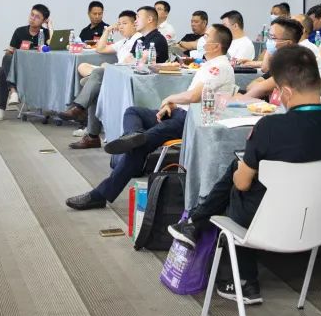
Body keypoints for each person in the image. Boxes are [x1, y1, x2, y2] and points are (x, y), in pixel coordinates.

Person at [167, 45, 321, 305]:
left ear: (285, 92)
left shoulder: (269, 126)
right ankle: (195, 225)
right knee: (240, 169)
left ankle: (243, 280)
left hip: (267, 223)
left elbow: (242, 183)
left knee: (236, 183)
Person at [65, 25, 235, 210]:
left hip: (191, 120)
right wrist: (172, 105)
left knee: (138, 148)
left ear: (216, 46)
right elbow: (193, 97)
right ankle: (133, 136)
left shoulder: (219, 67)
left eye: (207, 36)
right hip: (179, 112)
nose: (202, 39)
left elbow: (195, 96)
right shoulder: (210, 64)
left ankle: (100, 194)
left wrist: (170, 98)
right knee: (133, 112)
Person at [45, 11, 141, 138]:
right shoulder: (123, 41)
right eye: (119, 24)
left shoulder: (139, 40)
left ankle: (79, 108)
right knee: (83, 67)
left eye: (124, 23)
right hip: (113, 71)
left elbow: (132, 63)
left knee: (91, 81)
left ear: (134, 24)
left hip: (121, 74)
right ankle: (91, 87)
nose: (121, 26)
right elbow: (100, 48)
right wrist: (107, 31)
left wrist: (109, 68)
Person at [0, 4, 51, 120]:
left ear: (44, 20)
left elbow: (54, 48)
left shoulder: (46, 33)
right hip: (20, 69)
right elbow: (10, 50)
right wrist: (10, 52)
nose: (32, 18)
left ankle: (2, 107)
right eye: (32, 15)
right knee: (6, 59)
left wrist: (50, 26)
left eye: (37, 17)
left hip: (39, 70)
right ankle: (13, 91)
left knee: (2, 72)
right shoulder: (19, 31)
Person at [236, 18, 313, 100]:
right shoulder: (281, 62)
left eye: (273, 37)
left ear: (289, 43)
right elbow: (250, 86)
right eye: (269, 36)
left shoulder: (296, 63)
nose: (269, 41)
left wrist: (246, 95)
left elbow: (261, 90)